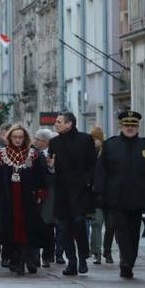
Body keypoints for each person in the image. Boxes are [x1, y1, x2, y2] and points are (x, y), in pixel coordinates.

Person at [94, 111, 145, 279]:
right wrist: (99, 192)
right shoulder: (110, 145)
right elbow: (101, 171)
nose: (130, 128)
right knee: (121, 230)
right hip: (116, 197)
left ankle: (130, 260)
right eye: (126, 125)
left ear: (137, 127)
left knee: (133, 232)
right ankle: (125, 261)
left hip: (138, 196)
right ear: (121, 126)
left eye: (133, 125)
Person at [47, 111, 96, 276]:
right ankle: (72, 262)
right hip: (62, 192)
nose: (56, 124)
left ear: (69, 124)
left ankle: (83, 257)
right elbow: (51, 168)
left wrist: (87, 182)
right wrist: (52, 167)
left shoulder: (85, 139)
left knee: (79, 224)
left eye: (59, 121)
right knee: (64, 228)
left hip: (80, 191)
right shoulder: (54, 142)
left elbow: (92, 164)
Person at [0, 124, 48, 276]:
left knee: (28, 227)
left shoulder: (34, 154)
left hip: (28, 198)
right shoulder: (1, 154)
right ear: (10, 137)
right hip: (8, 197)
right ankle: (14, 257)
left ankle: (26, 259)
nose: (18, 140)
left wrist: (40, 193)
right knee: (10, 228)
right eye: (15, 137)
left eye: (21, 137)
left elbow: (40, 176)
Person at [33, 128, 56, 268]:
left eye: (38, 139)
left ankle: (48, 255)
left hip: (50, 195)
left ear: (46, 142)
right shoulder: (33, 153)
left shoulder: (54, 154)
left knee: (48, 225)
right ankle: (35, 256)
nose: (35, 141)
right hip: (35, 193)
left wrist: (51, 167)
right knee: (35, 224)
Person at [88, 127, 110, 265]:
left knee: (104, 225)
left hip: (103, 194)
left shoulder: (106, 153)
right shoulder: (90, 153)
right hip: (100, 195)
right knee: (100, 225)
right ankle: (100, 252)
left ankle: (102, 252)